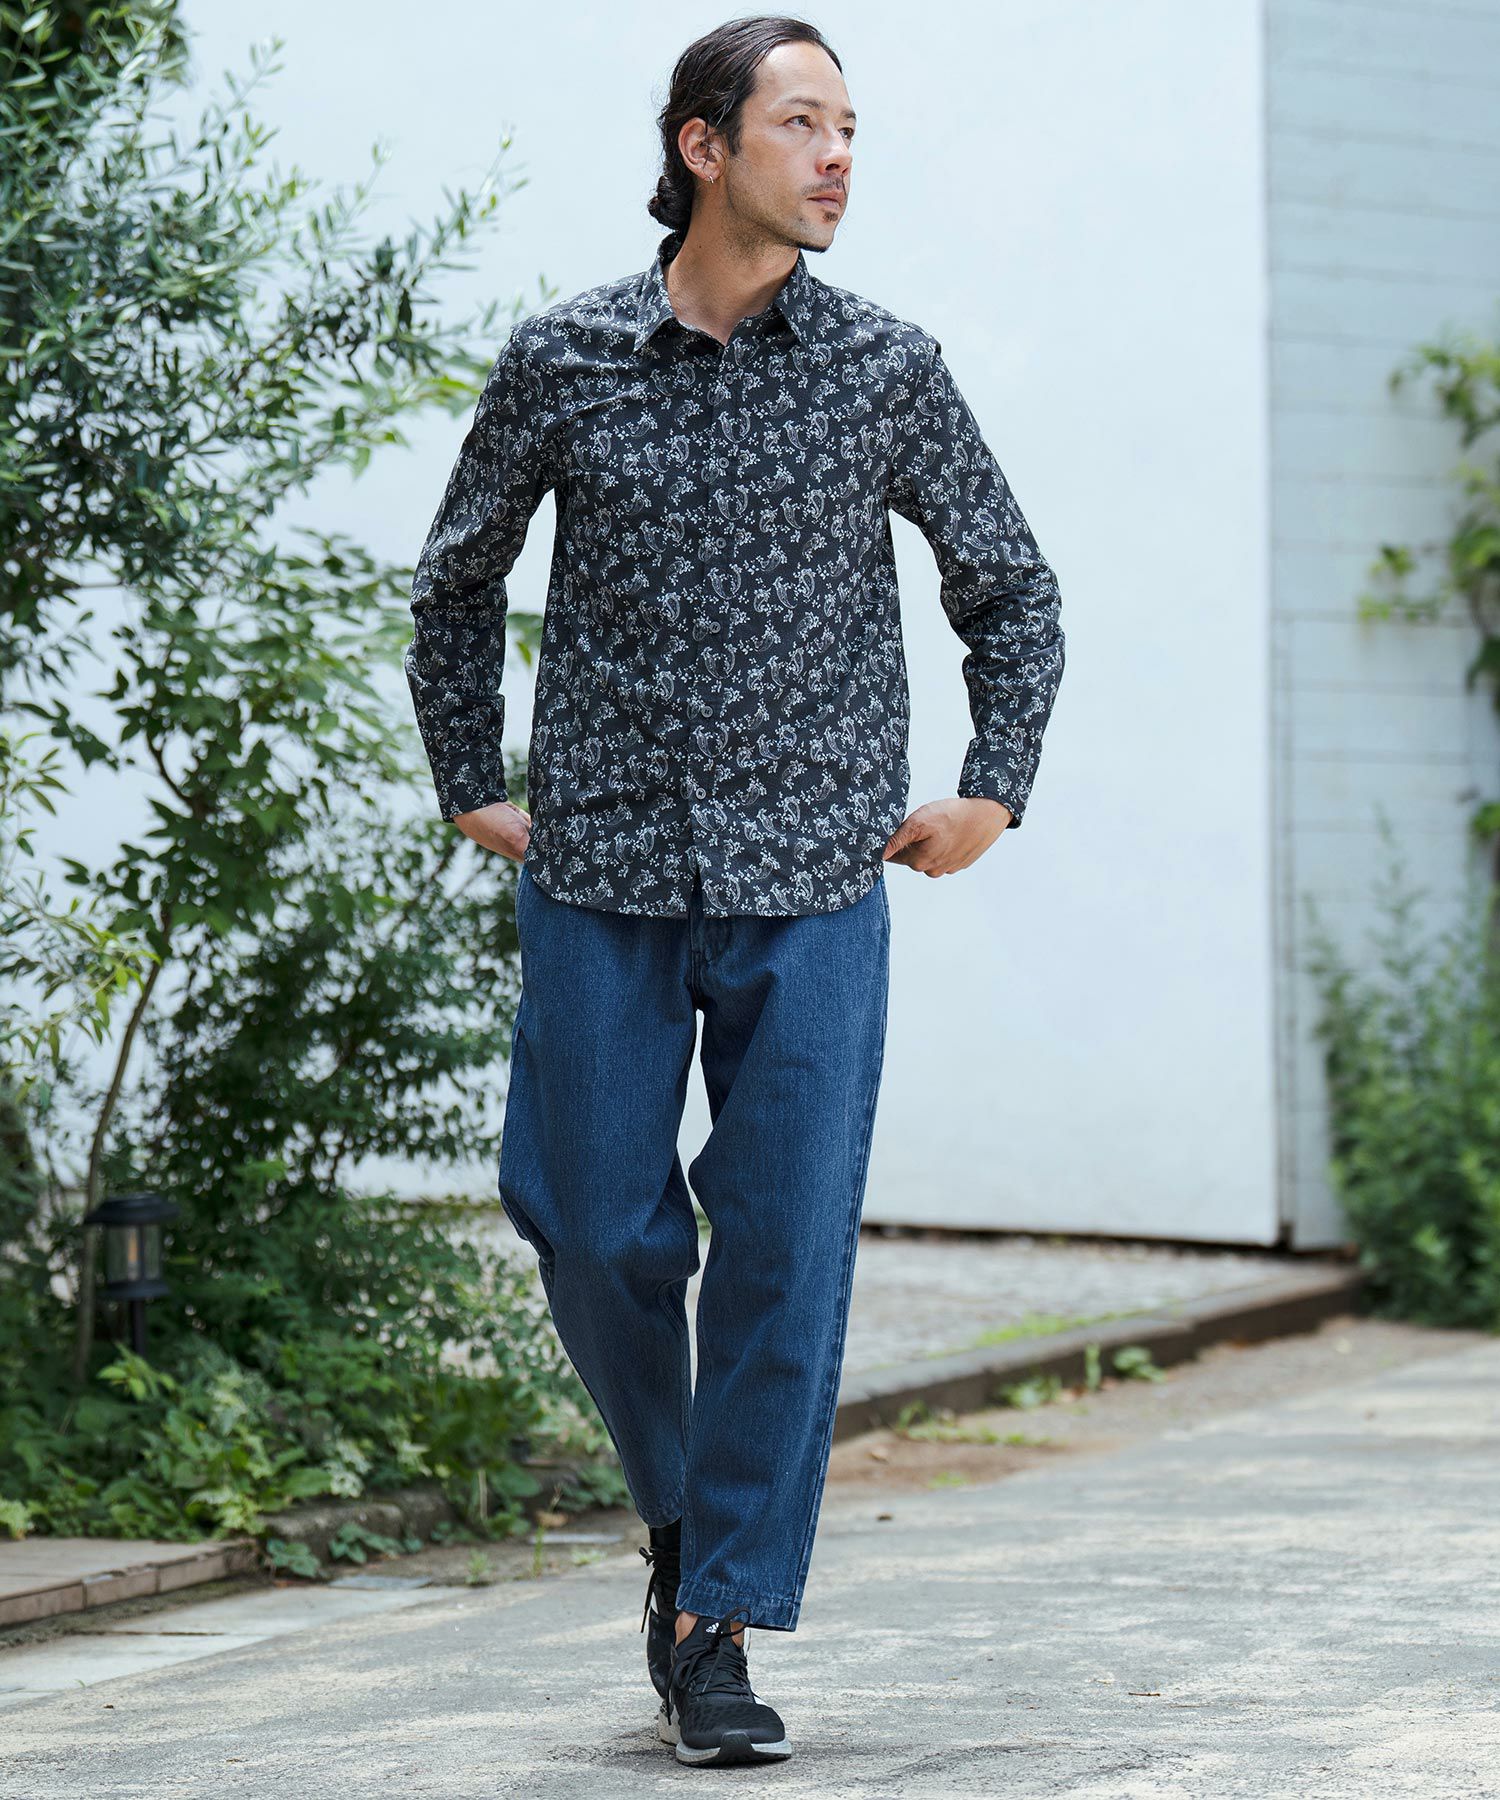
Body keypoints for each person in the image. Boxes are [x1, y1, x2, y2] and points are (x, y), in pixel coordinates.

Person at [404, 13, 1065, 1770]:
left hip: (816, 883)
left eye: (851, 128)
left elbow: (1011, 587)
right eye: (802, 123)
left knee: (781, 1247)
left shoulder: (887, 369)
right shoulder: (565, 360)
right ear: (705, 147)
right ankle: (684, 1515)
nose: (839, 156)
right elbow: (457, 581)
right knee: (590, 1222)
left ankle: (719, 1621)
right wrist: (471, 775)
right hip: (603, 870)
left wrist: (994, 786)